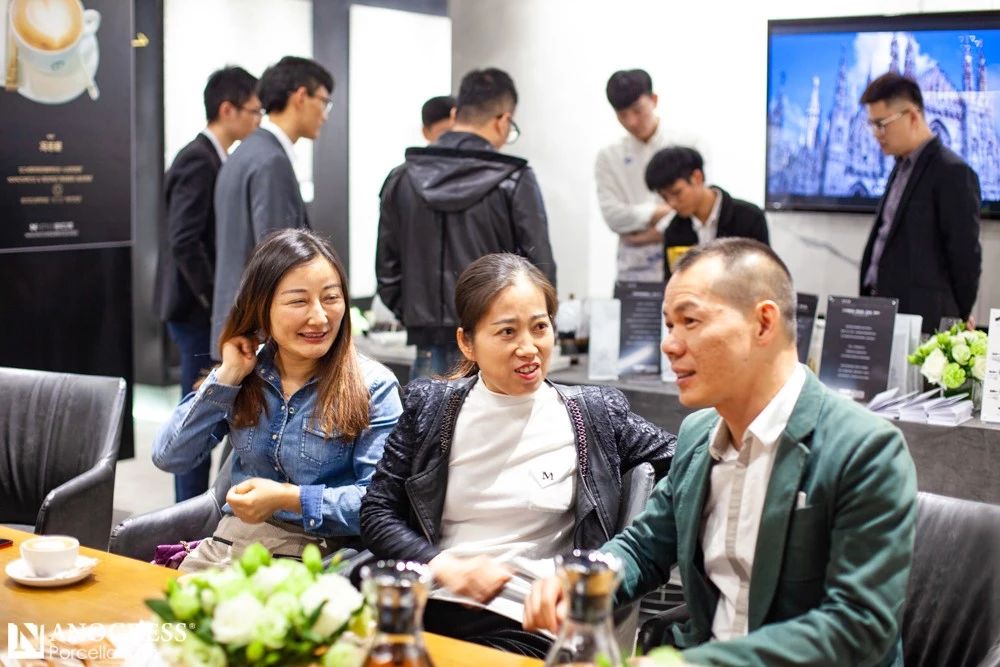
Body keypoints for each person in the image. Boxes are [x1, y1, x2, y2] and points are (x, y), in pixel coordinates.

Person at [525, 238, 918, 666]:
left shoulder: (865, 449)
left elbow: (858, 627)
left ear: (763, 323)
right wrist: (585, 581)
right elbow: (645, 546)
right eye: (669, 325)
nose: (669, 344)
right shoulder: (699, 435)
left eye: (689, 321)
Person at [361, 253, 675, 657]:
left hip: (526, 621)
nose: (528, 348)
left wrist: (593, 574)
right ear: (467, 343)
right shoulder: (430, 406)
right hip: (424, 608)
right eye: (507, 332)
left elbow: (685, 460)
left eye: (540, 327)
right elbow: (376, 513)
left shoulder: (594, 414)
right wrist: (440, 563)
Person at [153, 229, 402, 572]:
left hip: (320, 558)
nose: (320, 317)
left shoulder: (374, 386)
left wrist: (291, 499)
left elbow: (378, 504)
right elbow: (169, 456)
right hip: (230, 546)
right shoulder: (246, 374)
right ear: (262, 307)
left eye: (331, 298)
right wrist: (228, 375)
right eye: (299, 301)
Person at [376, 68, 556, 380]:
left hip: (428, 346)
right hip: (500, 348)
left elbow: (387, 270)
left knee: (430, 413)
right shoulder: (514, 180)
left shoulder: (402, 178)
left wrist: (418, 318)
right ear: (503, 121)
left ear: (455, 114)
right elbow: (540, 273)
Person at [153, 66, 261, 503]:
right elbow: (184, 239)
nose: (257, 120)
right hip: (194, 311)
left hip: (200, 311)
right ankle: (186, 516)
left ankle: (192, 509)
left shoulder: (217, 158)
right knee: (196, 415)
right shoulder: (198, 159)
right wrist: (215, 300)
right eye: (253, 111)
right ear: (227, 109)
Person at [212, 56, 335, 356]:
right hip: (260, 336)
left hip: (238, 327)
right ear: (301, 96)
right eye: (324, 102)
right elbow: (279, 259)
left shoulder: (245, 152)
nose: (325, 115)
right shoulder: (271, 161)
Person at [859, 72, 982, 333]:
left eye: (882, 124)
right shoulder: (900, 168)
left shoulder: (953, 172)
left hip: (922, 322)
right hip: (879, 310)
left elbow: (965, 257)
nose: (876, 134)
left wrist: (958, 317)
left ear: (913, 117)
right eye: (872, 125)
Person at [644, 146, 770, 281]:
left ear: (697, 177)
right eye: (665, 197)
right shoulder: (674, 230)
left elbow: (764, 273)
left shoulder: (749, 217)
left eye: (677, 193)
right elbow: (672, 281)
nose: (672, 203)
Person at [595, 69, 673, 283]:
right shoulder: (608, 156)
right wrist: (661, 212)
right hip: (631, 272)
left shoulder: (687, 146)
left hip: (680, 268)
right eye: (622, 115)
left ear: (654, 100)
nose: (631, 121)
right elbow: (613, 216)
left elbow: (694, 212)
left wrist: (644, 234)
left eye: (638, 111)